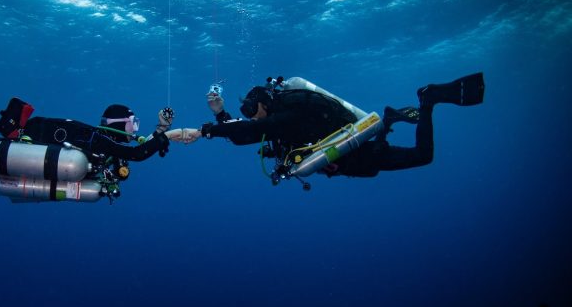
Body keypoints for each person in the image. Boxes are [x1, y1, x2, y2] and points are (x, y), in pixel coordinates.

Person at [0, 74, 198, 198]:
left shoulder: (104, 143)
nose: (136, 127)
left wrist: (159, 131)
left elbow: (137, 149)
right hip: (25, 154)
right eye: (134, 122)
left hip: (28, 154)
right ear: (121, 123)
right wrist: (169, 134)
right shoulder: (99, 140)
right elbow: (138, 154)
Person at [199, 73, 485, 178]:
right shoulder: (277, 123)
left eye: (251, 109)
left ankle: (428, 99)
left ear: (264, 102)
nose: (250, 116)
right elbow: (242, 136)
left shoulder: (288, 117)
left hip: (359, 154)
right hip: (353, 155)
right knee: (408, 154)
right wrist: (221, 114)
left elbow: (248, 131)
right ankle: (388, 120)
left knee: (423, 156)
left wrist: (206, 130)